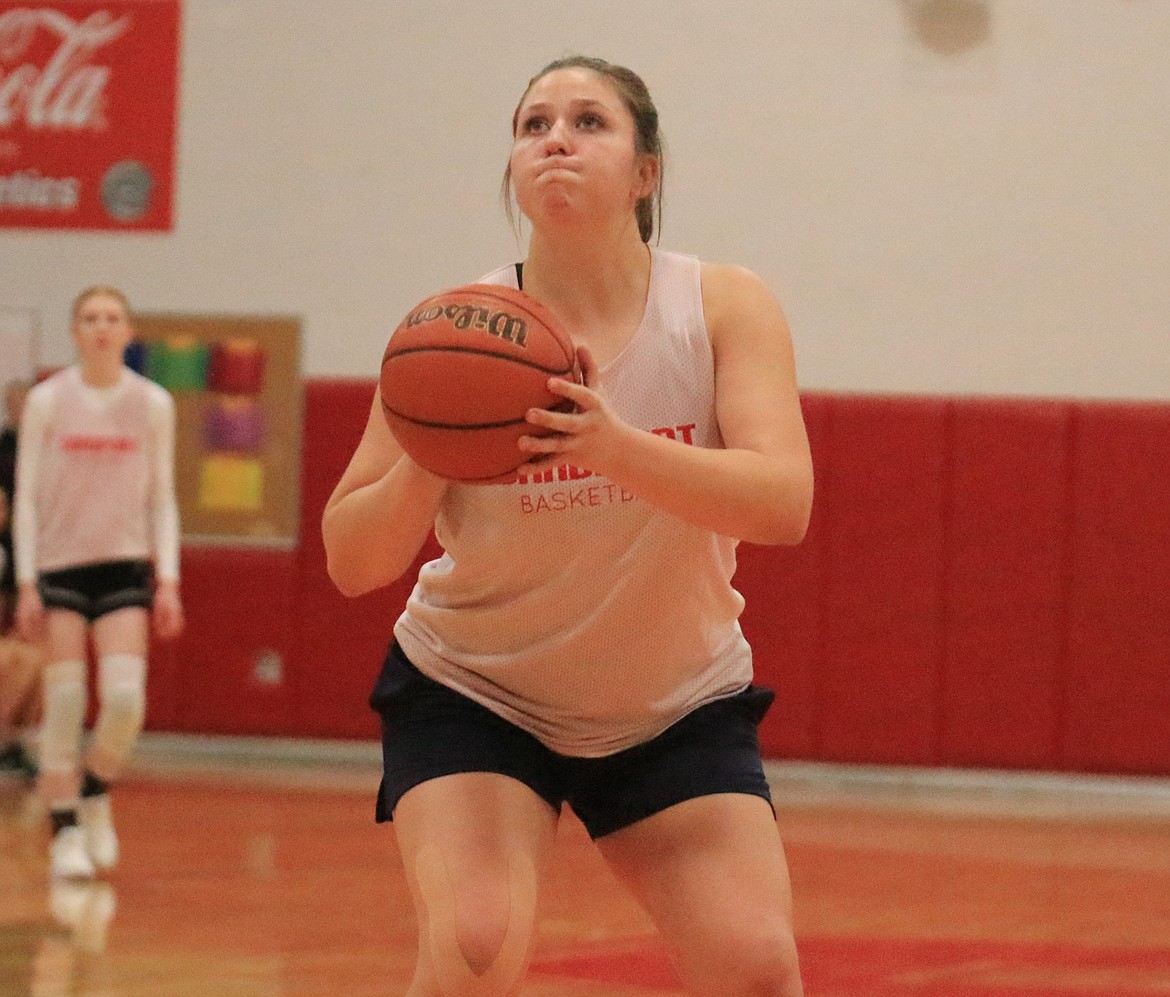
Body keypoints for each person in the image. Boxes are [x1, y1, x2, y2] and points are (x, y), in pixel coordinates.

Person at [323, 55, 813, 997]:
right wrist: (440, 443)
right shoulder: (450, 333)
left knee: (757, 970)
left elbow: (782, 502)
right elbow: (353, 558)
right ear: (511, 166)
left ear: (645, 172)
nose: (555, 139)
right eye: (532, 124)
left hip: (672, 700)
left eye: (589, 122)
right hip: (480, 688)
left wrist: (612, 444)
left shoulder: (720, 307)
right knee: (473, 947)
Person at [14, 286, 184, 879]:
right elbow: (26, 498)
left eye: (112, 317)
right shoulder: (47, 400)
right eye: (89, 318)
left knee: (124, 701)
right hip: (60, 568)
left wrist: (170, 579)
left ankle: (93, 790)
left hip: (125, 566)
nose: (101, 327)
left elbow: (164, 498)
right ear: (74, 330)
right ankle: (64, 830)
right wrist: (27, 580)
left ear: (129, 330)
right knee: (62, 701)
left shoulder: (152, 404)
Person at [0, 378, 41, 781]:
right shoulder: (3, 451)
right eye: (15, 405)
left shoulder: (48, 453)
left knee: (30, 659)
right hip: (6, 566)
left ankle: (14, 740)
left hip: (32, 571)